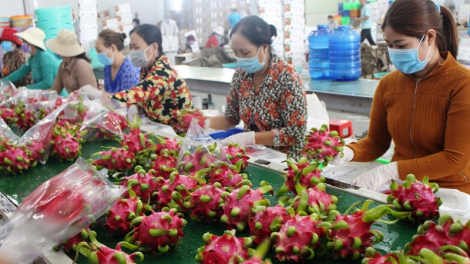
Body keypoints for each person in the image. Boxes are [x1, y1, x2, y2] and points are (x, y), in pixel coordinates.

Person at [332, 0, 470, 194]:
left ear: (429, 37)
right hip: (403, 190)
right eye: (390, 45)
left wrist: (393, 170)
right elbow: (376, 142)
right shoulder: (389, 84)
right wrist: (348, 151)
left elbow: (455, 159)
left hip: (449, 193)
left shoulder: (462, 84)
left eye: (401, 45)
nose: (395, 52)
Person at [206, 16, 307, 159]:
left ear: (264, 47)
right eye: (236, 53)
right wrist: (204, 122)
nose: (240, 58)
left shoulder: (288, 77)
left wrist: (249, 138)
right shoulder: (241, 76)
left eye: (245, 52)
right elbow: (230, 118)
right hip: (254, 156)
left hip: (286, 162)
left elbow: (295, 133)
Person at [83, 24, 194, 133]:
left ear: (154, 47)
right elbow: (149, 95)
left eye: (136, 47)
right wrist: (137, 106)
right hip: (160, 130)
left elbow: (140, 92)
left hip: (179, 135)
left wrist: (103, 100)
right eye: (131, 47)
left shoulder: (164, 73)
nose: (132, 51)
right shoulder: (146, 69)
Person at [46, 29, 97, 95]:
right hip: (73, 103)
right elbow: (55, 90)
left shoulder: (81, 65)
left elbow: (89, 94)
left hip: (87, 103)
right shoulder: (63, 66)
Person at [95, 29, 140, 94]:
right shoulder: (108, 67)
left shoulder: (129, 71)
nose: (98, 55)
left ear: (112, 48)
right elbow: (106, 92)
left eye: (99, 51)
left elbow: (127, 101)